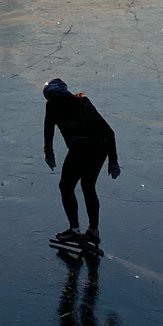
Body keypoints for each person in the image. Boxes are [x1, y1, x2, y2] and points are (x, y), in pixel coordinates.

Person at [42, 78, 121, 248]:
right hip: (98, 149)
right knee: (87, 186)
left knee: (66, 186)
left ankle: (75, 230)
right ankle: (93, 231)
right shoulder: (81, 102)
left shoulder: (56, 105)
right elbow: (109, 132)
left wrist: (49, 153)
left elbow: (48, 130)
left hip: (83, 149)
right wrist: (113, 160)